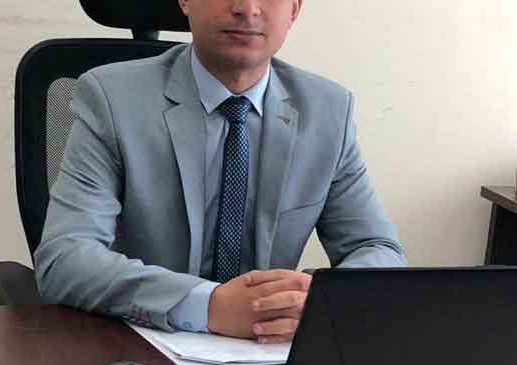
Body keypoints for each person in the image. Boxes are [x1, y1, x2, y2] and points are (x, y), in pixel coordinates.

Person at [34, 0, 406, 344]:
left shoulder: (328, 110)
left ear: (294, 9)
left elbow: (378, 249)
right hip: (139, 350)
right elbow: (65, 258)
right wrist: (208, 305)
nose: (247, 8)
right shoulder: (112, 98)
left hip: (270, 358)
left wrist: (319, 298)